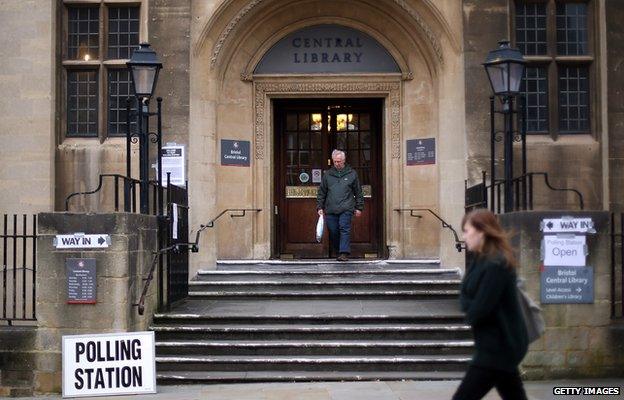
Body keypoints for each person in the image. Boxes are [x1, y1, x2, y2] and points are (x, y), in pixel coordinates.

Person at [453, 209, 529, 400]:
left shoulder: (497, 265)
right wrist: (471, 306)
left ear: (482, 232)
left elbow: (481, 309)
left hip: (498, 348)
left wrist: (470, 308)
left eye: (466, 230)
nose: (463, 236)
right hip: (492, 346)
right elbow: (464, 296)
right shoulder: (479, 261)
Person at [316, 149, 364, 261]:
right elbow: (322, 192)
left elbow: (358, 192)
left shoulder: (352, 174)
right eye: (335, 161)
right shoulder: (328, 175)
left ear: (344, 160)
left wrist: (359, 207)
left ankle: (344, 253)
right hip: (331, 208)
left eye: (339, 161)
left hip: (346, 207)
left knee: (344, 228)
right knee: (333, 230)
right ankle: (339, 249)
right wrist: (320, 206)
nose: (337, 164)